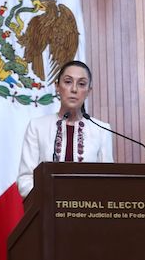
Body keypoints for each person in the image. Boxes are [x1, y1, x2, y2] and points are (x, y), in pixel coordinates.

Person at [16, 60, 114, 197]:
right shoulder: (37, 127)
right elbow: (25, 180)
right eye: (68, 82)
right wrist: (53, 196)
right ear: (57, 86)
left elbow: (108, 181)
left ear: (88, 91)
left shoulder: (102, 130)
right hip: (47, 211)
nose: (74, 89)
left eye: (81, 84)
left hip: (89, 212)